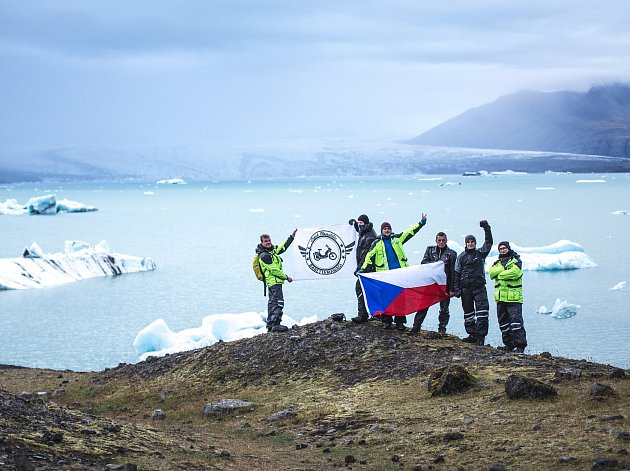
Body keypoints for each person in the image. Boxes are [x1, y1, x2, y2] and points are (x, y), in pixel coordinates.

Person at [360, 213, 428, 330]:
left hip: (400, 274)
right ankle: (387, 321)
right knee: (386, 299)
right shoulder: (376, 243)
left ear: (391, 230)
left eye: (388, 228)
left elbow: (409, 232)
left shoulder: (397, 239)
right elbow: (369, 256)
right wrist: (363, 268)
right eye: (385, 229)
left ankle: (400, 322)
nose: (387, 230)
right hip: (385, 276)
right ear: (381, 231)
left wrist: (420, 223)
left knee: (400, 298)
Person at [452, 220, 493, 345]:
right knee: (468, 313)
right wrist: (456, 288)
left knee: (482, 313)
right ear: (466, 243)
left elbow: (489, 242)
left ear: (475, 243)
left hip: (479, 288)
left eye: (472, 242)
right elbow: (456, 273)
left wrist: (487, 228)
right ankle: (472, 335)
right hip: (465, 289)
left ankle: (480, 337)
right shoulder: (461, 256)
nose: (470, 244)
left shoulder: (480, 253)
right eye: (468, 242)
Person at [411, 232, 457, 334]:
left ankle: (442, 329)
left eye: (443, 240)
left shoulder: (452, 254)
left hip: (444, 286)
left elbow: (453, 272)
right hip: (430, 285)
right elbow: (423, 263)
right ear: (436, 241)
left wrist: (452, 289)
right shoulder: (430, 250)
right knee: (423, 305)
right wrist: (436, 265)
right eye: (439, 240)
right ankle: (416, 326)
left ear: (446, 240)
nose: (441, 242)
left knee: (444, 309)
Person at [489, 241, 527, 353]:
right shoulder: (497, 263)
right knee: (503, 323)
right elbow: (491, 273)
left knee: (516, 322)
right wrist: (504, 271)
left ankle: (520, 346)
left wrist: (500, 274)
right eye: (500, 249)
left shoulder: (516, 261)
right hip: (501, 298)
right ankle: (509, 345)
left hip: (514, 298)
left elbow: (515, 273)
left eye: (504, 248)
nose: (502, 250)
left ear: (508, 248)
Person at [255, 229, 297, 333]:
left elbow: (283, 247)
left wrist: (292, 237)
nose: (268, 242)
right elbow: (274, 270)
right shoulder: (264, 255)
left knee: (272, 303)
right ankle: (276, 324)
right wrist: (286, 277)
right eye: (266, 241)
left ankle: (270, 325)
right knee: (278, 302)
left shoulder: (272, 250)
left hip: (275, 282)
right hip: (274, 282)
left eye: (269, 240)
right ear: (262, 243)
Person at [348, 215, 378, 323]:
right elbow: (360, 231)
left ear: (365, 223)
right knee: (370, 290)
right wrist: (354, 224)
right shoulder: (366, 231)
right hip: (367, 267)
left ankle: (363, 315)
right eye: (358, 223)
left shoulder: (369, 236)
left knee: (360, 288)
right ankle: (376, 314)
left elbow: (366, 254)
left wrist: (359, 269)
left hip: (368, 268)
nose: (359, 225)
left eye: (361, 223)